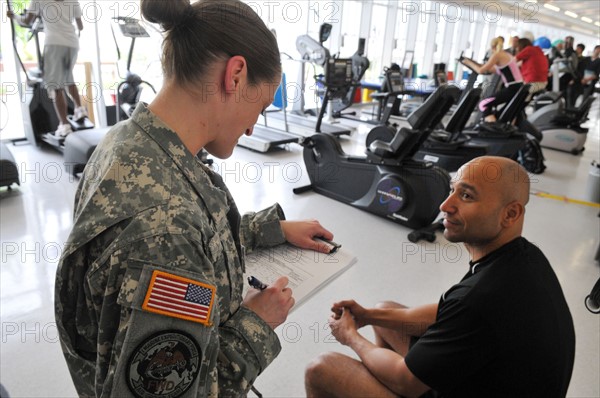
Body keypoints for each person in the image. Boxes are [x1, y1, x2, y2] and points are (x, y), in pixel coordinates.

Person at [54, 0, 335, 396]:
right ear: (235, 75)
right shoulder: (166, 229)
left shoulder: (130, 142)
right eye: (261, 105)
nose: (253, 127)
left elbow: (195, 230)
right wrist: (258, 322)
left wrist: (272, 229)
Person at [305, 156, 576, 398]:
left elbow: (406, 380)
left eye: (467, 196)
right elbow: (446, 313)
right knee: (384, 312)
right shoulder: (522, 257)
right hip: (491, 379)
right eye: (452, 191)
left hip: (440, 383)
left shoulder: (480, 297)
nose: (446, 205)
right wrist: (367, 316)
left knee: (322, 370)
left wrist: (351, 336)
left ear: (511, 213)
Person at [7, 0, 88, 138]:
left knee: (55, 86)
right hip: (72, 43)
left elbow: (27, 21)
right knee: (68, 78)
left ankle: (64, 125)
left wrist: (13, 15)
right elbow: (80, 26)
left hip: (54, 43)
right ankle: (79, 109)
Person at [461, 48, 524, 122]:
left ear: (492, 48)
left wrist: (468, 62)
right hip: (518, 86)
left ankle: (492, 129)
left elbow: (480, 70)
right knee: (497, 110)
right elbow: (491, 69)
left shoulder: (497, 55)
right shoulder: (507, 55)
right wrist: (474, 63)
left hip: (512, 88)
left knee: (483, 104)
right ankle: (493, 124)